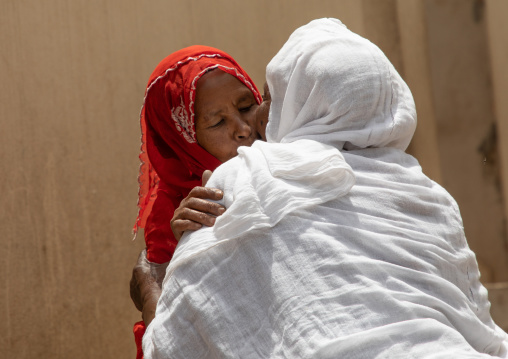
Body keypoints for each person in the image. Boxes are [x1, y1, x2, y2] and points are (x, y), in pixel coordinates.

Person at [141, 18, 508, 358]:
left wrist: (149, 291)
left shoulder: (244, 181)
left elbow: (174, 345)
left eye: (262, 100)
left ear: (308, 105)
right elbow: (473, 318)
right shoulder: (425, 190)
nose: (251, 123)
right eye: (218, 121)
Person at [130, 45, 264, 358]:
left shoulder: (297, 156)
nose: (244, 130)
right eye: (218, 123)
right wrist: (188, 248)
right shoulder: (178, 215)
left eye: (246, 106)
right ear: (183, 139)